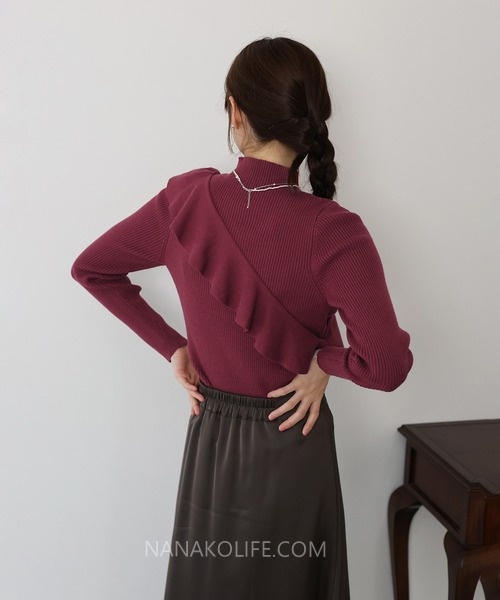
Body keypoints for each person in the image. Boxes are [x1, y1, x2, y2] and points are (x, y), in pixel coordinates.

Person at [71, 36, 413, 600]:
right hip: (293, 440)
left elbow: (92, 269)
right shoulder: (335, 230)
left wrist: (174, 347)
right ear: (312, 118)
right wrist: (324, 361)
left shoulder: (182, 203)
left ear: (235, 111)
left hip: (210, 444)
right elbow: (386, 365)